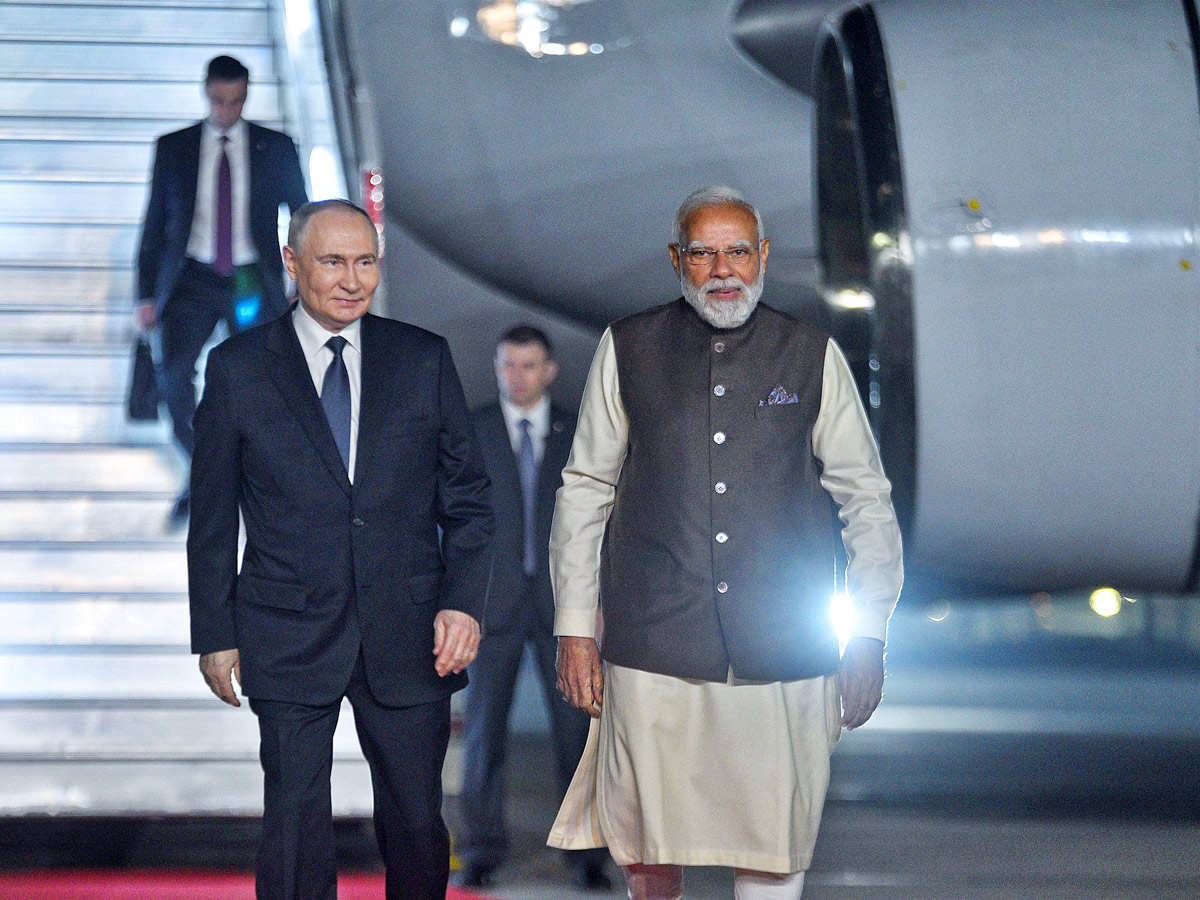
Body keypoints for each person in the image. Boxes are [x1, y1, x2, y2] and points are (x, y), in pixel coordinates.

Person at [547, 186, 904, 900]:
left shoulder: (809, 354)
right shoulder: (629, 346)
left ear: (763, 255)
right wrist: (575, 628)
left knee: (774, 847)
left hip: (783, 656)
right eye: (704, 252)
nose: (722, 269)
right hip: (654, 651)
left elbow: (866, 501)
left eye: (738, 249)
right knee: (648, 858)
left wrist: (868, 635)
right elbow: (585, 489)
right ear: (677, 260)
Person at [187, 199, 494, 900]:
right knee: (294, 824)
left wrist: (462, 604)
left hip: (412, 631)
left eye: (365, 261)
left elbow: (471, 500)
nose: (352, 279)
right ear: (293, 264)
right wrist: (215, 631)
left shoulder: (423, 358)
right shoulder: (238, 368)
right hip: (286, 628)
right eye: (332, 261)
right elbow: (212, 516)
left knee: (417, 822)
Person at [457, 327, 610, 889]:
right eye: (506, 365)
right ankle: (480, 850)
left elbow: (604, 519)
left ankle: (587, 856)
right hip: (490, 605)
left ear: (549, 370)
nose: (515, 376)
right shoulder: (471, 429)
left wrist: (599, 602)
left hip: (564, 604)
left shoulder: (581, 430)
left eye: (527, 366)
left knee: (577, 734)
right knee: (482, 732)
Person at [136, 54, 308, 525]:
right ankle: (208, 466)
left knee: (257, 379)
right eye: (218, 99)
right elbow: (155, 222)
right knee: (172, 375)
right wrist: (145, 294)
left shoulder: (275, 146)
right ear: (206, 92)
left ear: (247, 95)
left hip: (250, 277)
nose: (227, 110)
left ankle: (238, 475)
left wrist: (304, 276)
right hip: (192, 274)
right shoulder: (175, 147)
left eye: (235, 100)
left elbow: (303, 215)